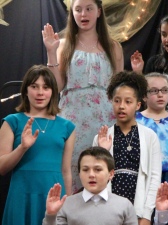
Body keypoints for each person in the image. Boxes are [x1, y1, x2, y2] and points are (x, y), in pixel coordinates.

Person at [42, 0, 124, 191]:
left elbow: (119, 90)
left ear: (98, 12)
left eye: (89, 9)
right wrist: (51, 53)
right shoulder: (63, 44)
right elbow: (56, 86)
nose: (83, 14)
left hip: (105, 122)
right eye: (78, 10)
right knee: (71, 172)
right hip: (72, 121)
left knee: (102, 170)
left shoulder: (114, 47)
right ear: (72, 13)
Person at [0, 65, 75, 225]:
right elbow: (2, 168)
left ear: (53, 92)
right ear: (26, 91)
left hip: (53, 194)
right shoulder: (12, 121)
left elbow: (66, 172)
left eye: (46, 87)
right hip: (22, 195)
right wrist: (22, 148)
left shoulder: (67, 127)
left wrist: (68, 206)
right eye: (34, 86)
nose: (40, 92)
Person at [92, 71, 162, 225]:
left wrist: (146, 215)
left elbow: (155, 178)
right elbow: (95, 177)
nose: (121, 106)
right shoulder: (101, 138)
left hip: (138, 208)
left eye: (128, 102)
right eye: (117, 101)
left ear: (138, 105)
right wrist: (103, 150)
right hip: (107, 211)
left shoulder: (150, 137)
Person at [42, 147, 138, 225]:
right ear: (79, 174)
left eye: (98, 169)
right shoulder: (65, 205)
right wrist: (51, 215)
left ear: (111, 174)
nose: (91, 175)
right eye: (85, 170)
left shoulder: (124, 205)